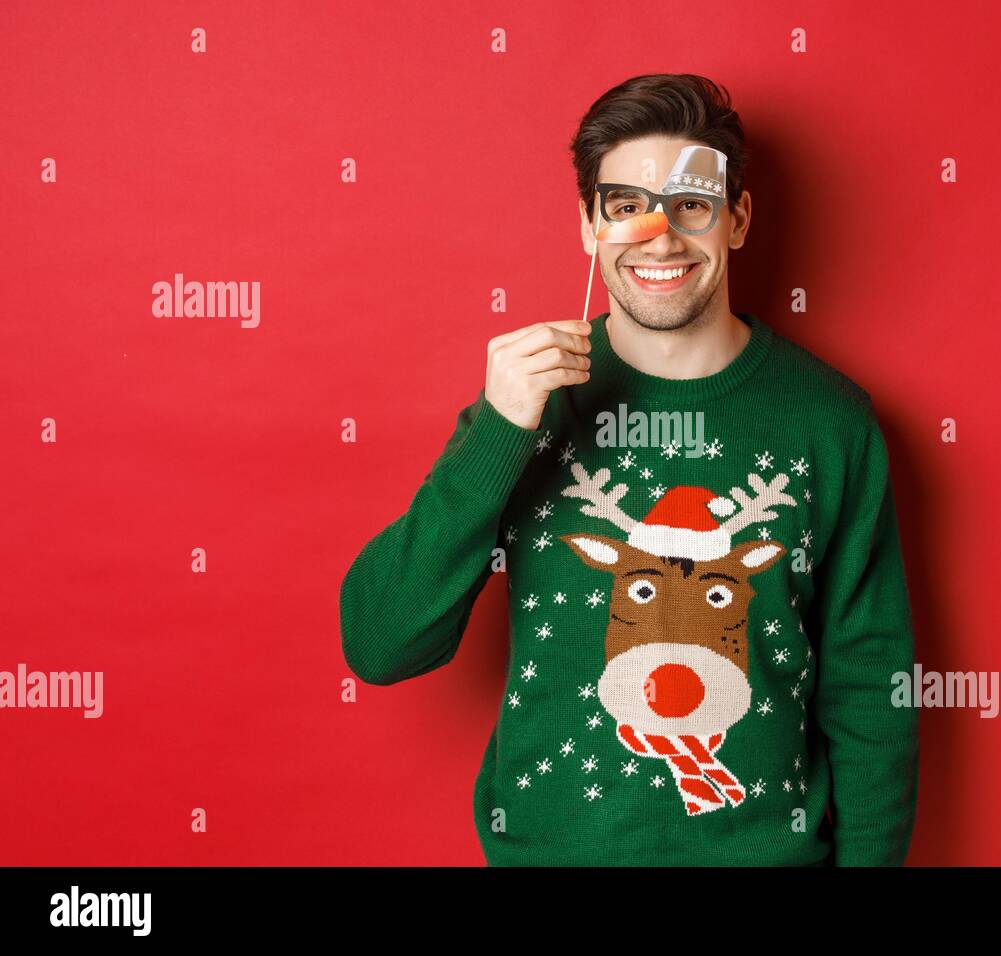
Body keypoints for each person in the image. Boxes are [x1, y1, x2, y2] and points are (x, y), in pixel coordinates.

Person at [339, 73, 919, 866]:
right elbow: (380, 644)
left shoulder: (830, 421)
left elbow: (869, 690)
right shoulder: (523, 409)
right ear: (589, 226)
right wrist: (497, 434)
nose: (660, 237)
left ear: (736, 219)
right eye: (626, 206)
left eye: (691, 205)